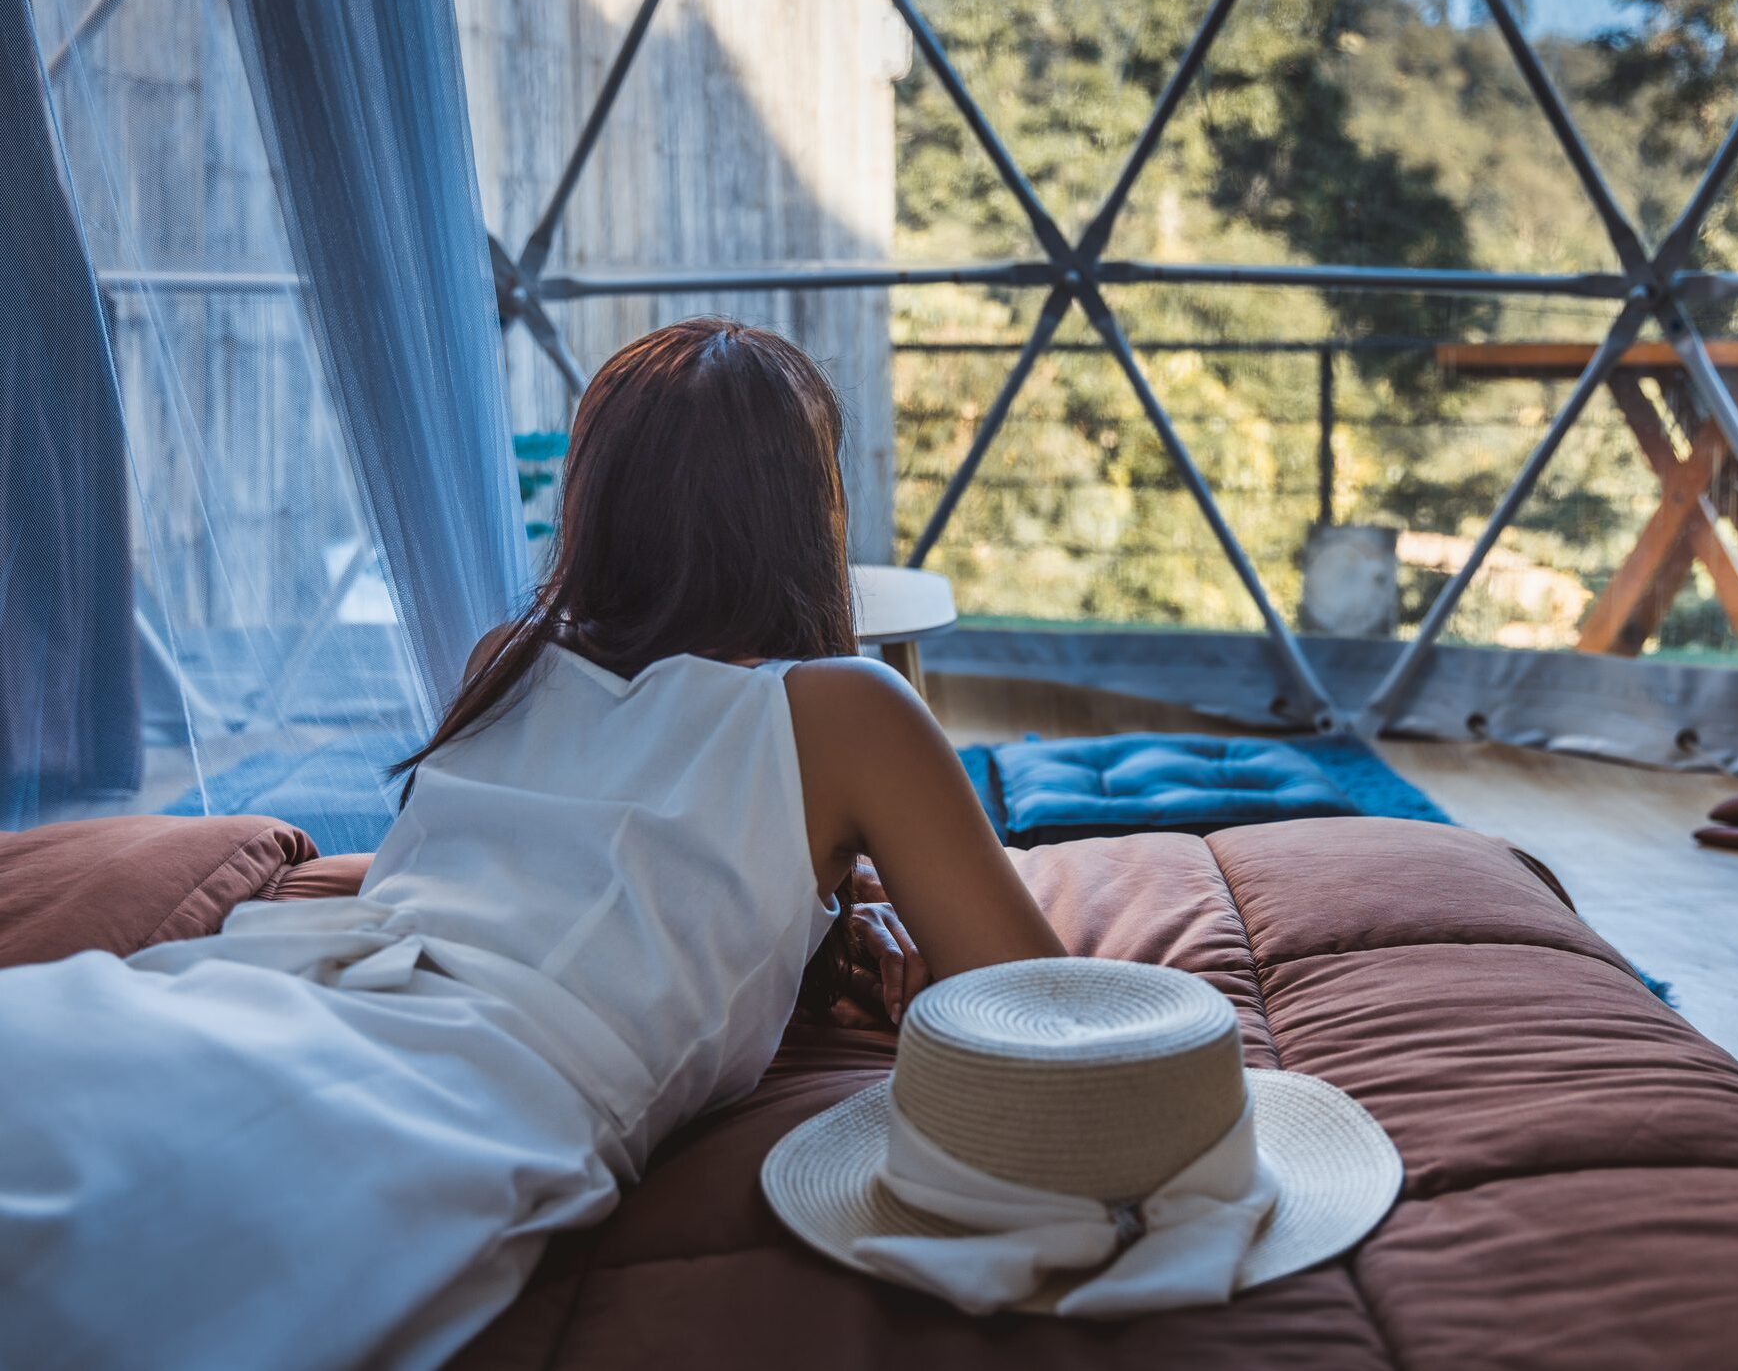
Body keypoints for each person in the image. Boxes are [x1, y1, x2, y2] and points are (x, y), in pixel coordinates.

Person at [0, 318, 1064, 1369]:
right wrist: (854, 883)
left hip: (263, 987)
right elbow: (1057, 1016)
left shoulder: (507, 657)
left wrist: (841, 893)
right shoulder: (852, 712)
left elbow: (609, 833)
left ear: (596, 501)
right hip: (461, 1081)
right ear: (806, 512)